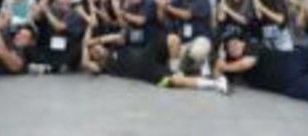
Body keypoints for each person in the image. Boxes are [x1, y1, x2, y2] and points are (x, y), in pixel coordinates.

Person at [214, 28, 308, 103]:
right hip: (289, 83)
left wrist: (223, 66)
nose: (235, 46)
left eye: (236, 42)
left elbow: (248, 63)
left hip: (294, 59)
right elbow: (218, 78)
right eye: (230, 47)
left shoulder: (251, 46)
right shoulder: (232, 65)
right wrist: (220, 59)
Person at [81, 27, 229, 94]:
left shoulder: (115, 46)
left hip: (148, 53)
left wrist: (94, 40)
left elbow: (116, 36)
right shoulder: (104, 66)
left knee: (173, 39)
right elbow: (85, 63)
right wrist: (85, 46)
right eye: (93, 52)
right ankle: (216, 84)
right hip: (146, 72)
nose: (96, 50)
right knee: (176, 82)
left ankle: (175, 69)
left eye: (97, 47)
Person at [157, 0, 213, 76]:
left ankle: (201, 64)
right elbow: (161, 19)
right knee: (172, 40)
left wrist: (167, 7)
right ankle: (174, 72)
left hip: (201, 38)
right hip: (184, 41)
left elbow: (187, 15)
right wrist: (161, 6)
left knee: (197, 52)